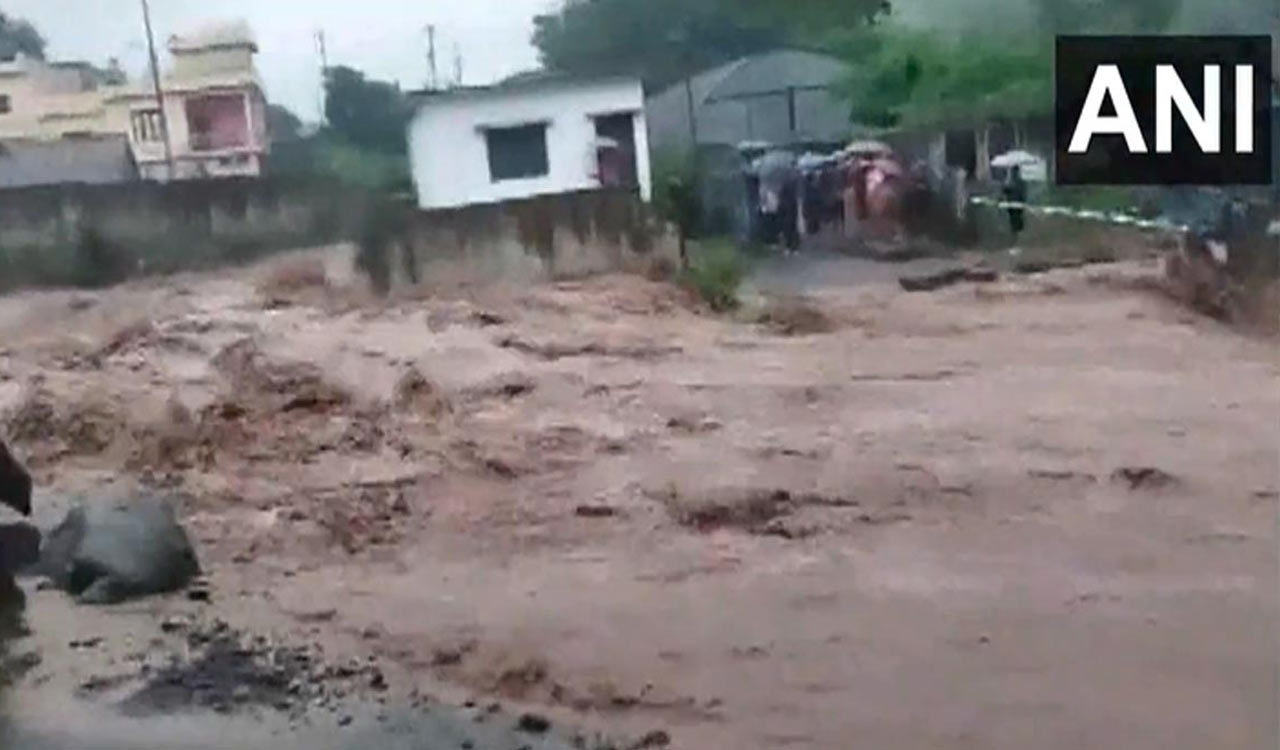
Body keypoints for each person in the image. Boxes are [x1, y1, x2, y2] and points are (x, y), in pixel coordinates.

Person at [1002, 165, 1028, 240]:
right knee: (1015, 220)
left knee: (1016, 220)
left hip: (1015, 204)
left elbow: (1023, 193)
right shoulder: (1011, 182)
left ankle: (1017, 236)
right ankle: (1015, 236)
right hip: (1013, 204)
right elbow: (1005, 191)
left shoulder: (1015, 182)